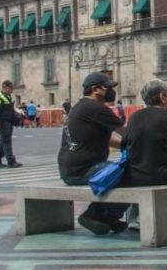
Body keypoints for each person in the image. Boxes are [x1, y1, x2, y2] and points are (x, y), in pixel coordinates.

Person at [57, 72, 129, 235]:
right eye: (108, 87)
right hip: (84, 169)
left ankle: (108, 217)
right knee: (128, 174)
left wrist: (126, 145)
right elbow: (127, 133)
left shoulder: (81, 107)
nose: (111, 90)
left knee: (120, 172)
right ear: (96, 89)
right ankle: (94, 215)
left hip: (71, 169)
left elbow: (109, 139)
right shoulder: (96, 108)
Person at [0, 81, 22, 168]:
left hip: (8, 122)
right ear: (5, 87)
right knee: (6, 142)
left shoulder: (8, 97)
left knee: (4, 142)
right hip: (2, 122)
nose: (12, 89)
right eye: (11, 87)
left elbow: (10, 110)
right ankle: (11, 161)